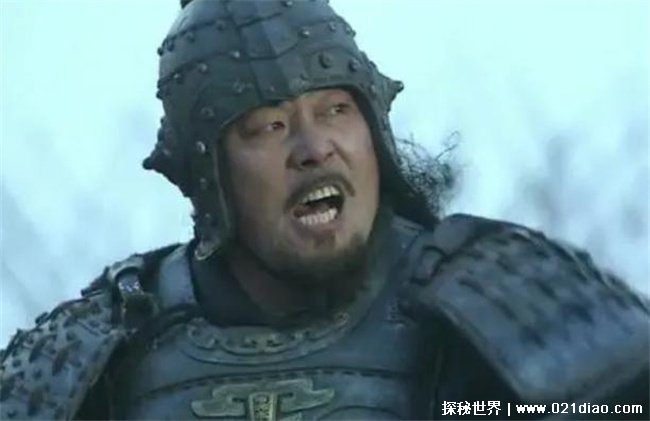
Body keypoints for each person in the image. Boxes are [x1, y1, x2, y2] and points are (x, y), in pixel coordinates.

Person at [1, 1, 648, 419]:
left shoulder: (504, 297)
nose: (315, 149)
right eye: (269, 126)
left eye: (336, 110)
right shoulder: (102, 348)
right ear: (211, 174)